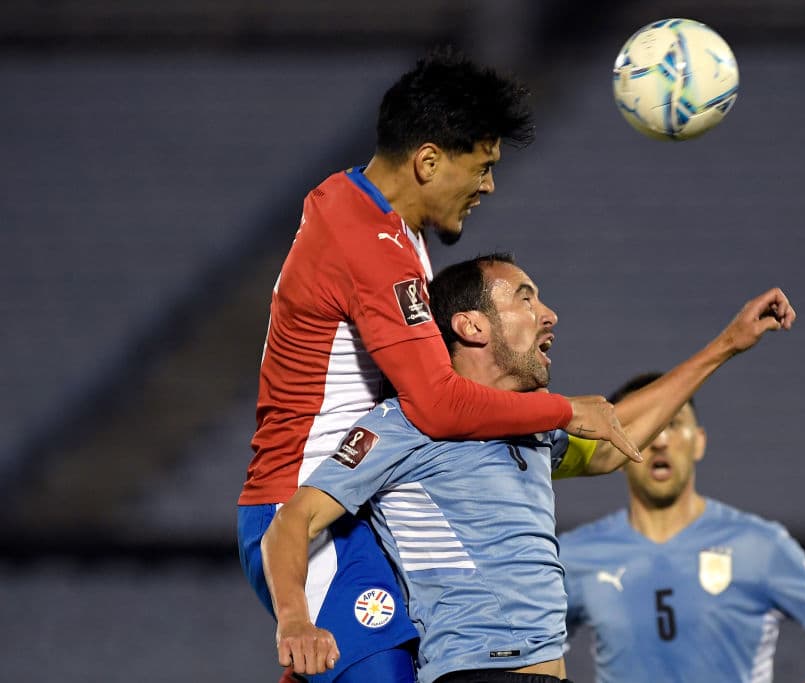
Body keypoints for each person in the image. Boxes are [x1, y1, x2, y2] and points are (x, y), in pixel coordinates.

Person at [236, 50, 636, 682]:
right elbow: (438, 404)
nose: (490, 185)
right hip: (304, 510)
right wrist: (566, 409)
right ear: (428, 161)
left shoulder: (377, 220)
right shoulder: (371, 244)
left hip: (355, 501)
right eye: (482, 166)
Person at [260, 253, 797, 683]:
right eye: (525, 298)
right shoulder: (406, 423)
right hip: (479, 672)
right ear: (471, 325)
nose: (549, 314)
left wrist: (728, 344)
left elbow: (614, 442)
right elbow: (291, 521)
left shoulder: (531, 423)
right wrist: (295, 621)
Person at [558, 378, 805, 683]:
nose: (659, 441)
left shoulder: (760, 545)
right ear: (613, 447)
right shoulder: (574, 555)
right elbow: (533, 652)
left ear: (698, 442)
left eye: (672, 424)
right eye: (644, 428)